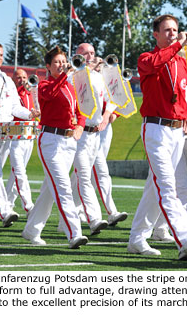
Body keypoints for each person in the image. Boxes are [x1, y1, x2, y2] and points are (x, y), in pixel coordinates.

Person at [127, 14, 187, 261]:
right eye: (167, 30)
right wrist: (177, 46)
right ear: (156, 34)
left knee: (155, 188)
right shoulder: (146, 58)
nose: (173, 33)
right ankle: (185, 239)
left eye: (175, 30)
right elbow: (154, 65)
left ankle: (137, 239)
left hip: (178, 131)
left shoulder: (183, 62)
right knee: (167, 187)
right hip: (156, 129)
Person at [22, 45, 88, 249]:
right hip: (50, 140)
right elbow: (48, 95)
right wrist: (64, 76)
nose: (62, 65)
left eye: (63, 61)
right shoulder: (44, 85)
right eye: (57, 62)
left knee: (50, 191)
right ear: (48, 67)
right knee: (63, 188)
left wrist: (80, 126)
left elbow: (82, 109)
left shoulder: (70, 85)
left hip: (69, 142)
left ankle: (31, 230)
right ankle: (74, 233)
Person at [0, 42, 39, 234]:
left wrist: (30, 114)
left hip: (6, 130)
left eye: (1, 55)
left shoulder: (6, 78)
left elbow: (15, 106)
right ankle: (5, 210)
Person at [69, 43, 118, 235]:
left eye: (92, 53)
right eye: (85, 53)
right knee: (83, 176)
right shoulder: (71, 76)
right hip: (78, 134)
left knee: (77, 179)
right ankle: (94, 218)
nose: (90, 56)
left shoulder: (99, 77)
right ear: (77, 55)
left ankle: (36, 224)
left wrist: (106, 117)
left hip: (95, 134)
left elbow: (112, 99)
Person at [5, 69, 36, 216]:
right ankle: (28, 205)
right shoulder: (14, 93)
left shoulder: (30, 93)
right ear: (13, 79)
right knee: (19, 171)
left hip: (28, 135)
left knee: (15, 173)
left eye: (24, 77)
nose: (22, 80)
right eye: (18, 77)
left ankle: (8, 204)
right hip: (15, 135)